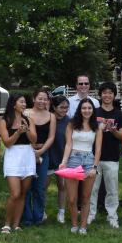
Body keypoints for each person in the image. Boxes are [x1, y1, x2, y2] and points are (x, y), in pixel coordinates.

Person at [60, 98, 102, 235]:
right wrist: (64, 161)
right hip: (73, 160)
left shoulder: (97, 126)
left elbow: (98, 149)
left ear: (93, 110)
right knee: (72, 198)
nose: (87, 110)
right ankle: (74, 224)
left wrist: (94, 167)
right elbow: (68, 144)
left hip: (89, 161)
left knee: (85, 197)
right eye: (84, 108)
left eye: (89, 108)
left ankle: (83, 226)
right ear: (80, 109)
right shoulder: (72, 124)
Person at [88, 81, 122, 228]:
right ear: (100, 95)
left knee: (112, 189)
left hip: (111, 157)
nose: (107, 95)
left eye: (110, 92)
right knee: (93, 189)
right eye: (104, 92)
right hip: (93, 158)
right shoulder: (94, 112)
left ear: (114, 95)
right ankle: (90, 214)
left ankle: (112, 216)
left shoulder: (120, 114)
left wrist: (113, 130)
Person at [0, 94, 37, 234]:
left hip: (27, 156)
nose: (24, 104)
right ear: (13, 104)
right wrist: (17, 133)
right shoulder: (4, 121)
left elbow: (34, 140)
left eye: (25, 102)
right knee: (15, 193)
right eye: (21, 102)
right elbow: (7, 143)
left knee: (23, 194)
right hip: (13, 157)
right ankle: (7, 224)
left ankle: (16, 224)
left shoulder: (29, 120)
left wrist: (26, 131)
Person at [23, 89, 56, 226]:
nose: (42, 101)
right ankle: (27, 217)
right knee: (26, 187)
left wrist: (41, 150)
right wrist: (32, 150)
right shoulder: (25, 114)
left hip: (43, 153)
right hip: (25, 154)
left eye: (45, 99)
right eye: (40, 98)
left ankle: (38, 216)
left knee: (40, 187)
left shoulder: (51, 116)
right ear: (34, 98)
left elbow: (51, 137)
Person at [47, 95, 70, 223]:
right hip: (49, 157)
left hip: (63, 159)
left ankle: (61, 212)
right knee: (43, 187)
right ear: (54, 107)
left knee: (62, 186)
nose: (64, 110)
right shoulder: (48, 118)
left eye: (66, 107)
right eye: (61, 107)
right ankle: (41, 211)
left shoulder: (69, 121)